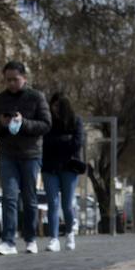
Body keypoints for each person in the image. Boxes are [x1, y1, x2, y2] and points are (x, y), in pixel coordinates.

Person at [0, 60, 51, 255]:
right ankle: (8, 241)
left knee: (29, 198)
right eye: (8, 80)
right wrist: (1, 123)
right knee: (9, 196)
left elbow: (46, 124)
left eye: (15, 79)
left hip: (30, 154)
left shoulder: (36, 97)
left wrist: (24, 123)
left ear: (24, 78)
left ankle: (30, 239)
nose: (11, 83)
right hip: (8, 154)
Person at [41, 92, 86, 252]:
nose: (54, 108)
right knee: (52, 203)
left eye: (58, 105)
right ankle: (53, 239)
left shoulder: (76, 121)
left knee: (67, 204)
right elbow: (44, 142)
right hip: (49, 167)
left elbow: (77, 143)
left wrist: (56, 143)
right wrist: (65, 141)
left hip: (69, 167)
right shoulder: (47, 122)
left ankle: (69, 234)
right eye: (52, 105)